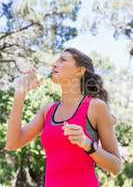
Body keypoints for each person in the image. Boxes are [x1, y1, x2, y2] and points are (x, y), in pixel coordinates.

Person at [6, 47, 122, 187]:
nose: (54, 64)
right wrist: (20, 93)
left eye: (63, 60)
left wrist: (87, 144)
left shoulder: (96, 107)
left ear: (80, 71)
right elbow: (13, 143)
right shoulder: (47, 110)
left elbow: (116, 167)